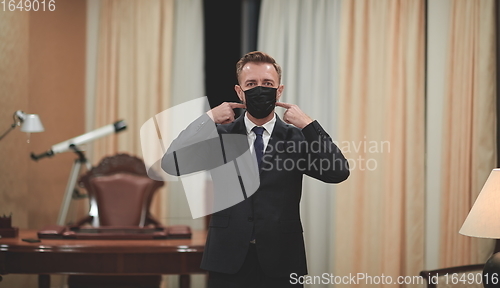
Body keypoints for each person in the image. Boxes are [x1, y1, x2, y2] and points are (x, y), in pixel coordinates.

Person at [162, 51, 349, 288]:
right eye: (251, 84)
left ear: (279, 91)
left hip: (282, 260)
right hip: (227, 260)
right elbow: (171, 163)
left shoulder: (297, 138)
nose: (260, 89)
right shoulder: (222, 136)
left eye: (267, 84)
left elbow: (338, 171)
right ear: (239, 92)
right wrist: (207, 118)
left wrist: (309, 124)